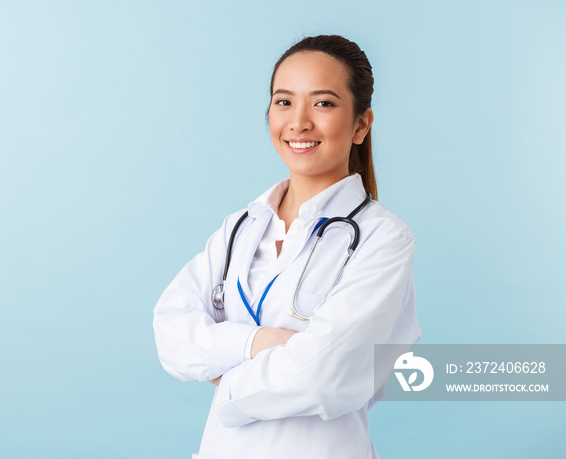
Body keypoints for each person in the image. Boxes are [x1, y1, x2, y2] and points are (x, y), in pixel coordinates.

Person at [153, 34, 422, 459]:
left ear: (360, 125)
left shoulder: (382, 239)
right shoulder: (239, 228)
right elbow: (171, 333)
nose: (298, 122)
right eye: (284, 102)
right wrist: (259, 344)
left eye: (323, 103)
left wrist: (225, 380)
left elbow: (325, 374)